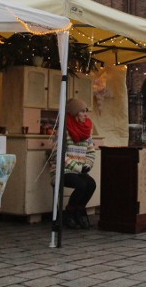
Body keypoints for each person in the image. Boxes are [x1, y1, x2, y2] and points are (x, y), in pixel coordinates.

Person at [51, 97, 97, 229]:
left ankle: (78, 210)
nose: (85, 114)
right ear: (75, 114)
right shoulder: (64, 131)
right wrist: (77, 167)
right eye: (82, 111)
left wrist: (87, 164)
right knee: (82, 184)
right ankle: (69, 213)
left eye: (86, 111)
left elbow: (91, 151)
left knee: (91, 184)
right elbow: (58, 154)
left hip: (78, 170)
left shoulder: (86, 130)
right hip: (62, 170)